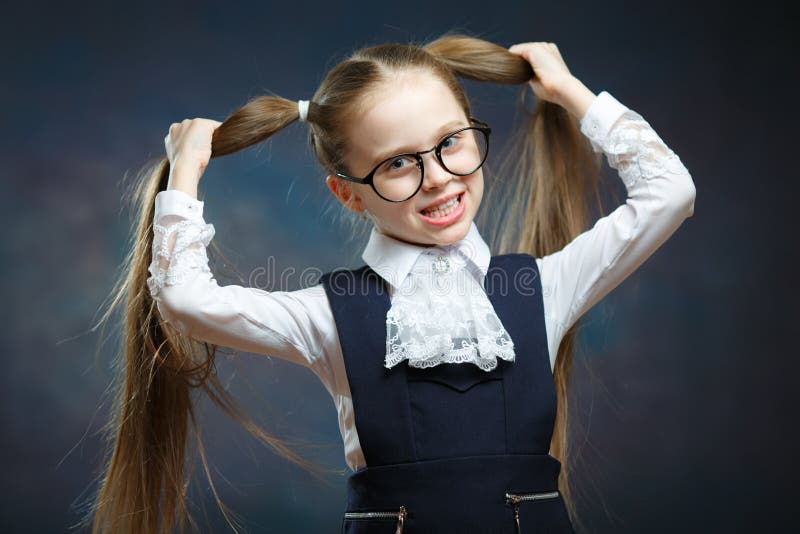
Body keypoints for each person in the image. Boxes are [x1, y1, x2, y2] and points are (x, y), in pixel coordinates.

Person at [88, 35, 696, 533]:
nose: (437, 178)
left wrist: (571, 93)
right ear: (347, 193)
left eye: (450, 143)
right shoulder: (330, 315)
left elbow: (671, 193)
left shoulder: (546, 285)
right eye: (397, 162)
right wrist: (185, 176)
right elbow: (185, 302)